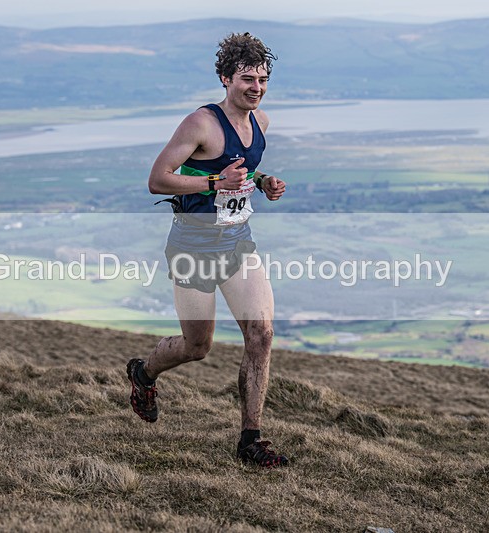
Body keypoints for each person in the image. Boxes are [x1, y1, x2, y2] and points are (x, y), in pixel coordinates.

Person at [126, 32, 288, 468]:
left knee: (262, 334)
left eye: (263, 78)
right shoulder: (201, 123)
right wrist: (217, 184)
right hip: (192, 246)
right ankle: (144, 373)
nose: (256, 87)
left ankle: (250, 440)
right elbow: (158, 179)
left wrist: (263, 182)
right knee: (198, 347)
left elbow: (241, 172)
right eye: (247, 78)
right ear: (225, 78)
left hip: (237, 242)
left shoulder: (261, 123)